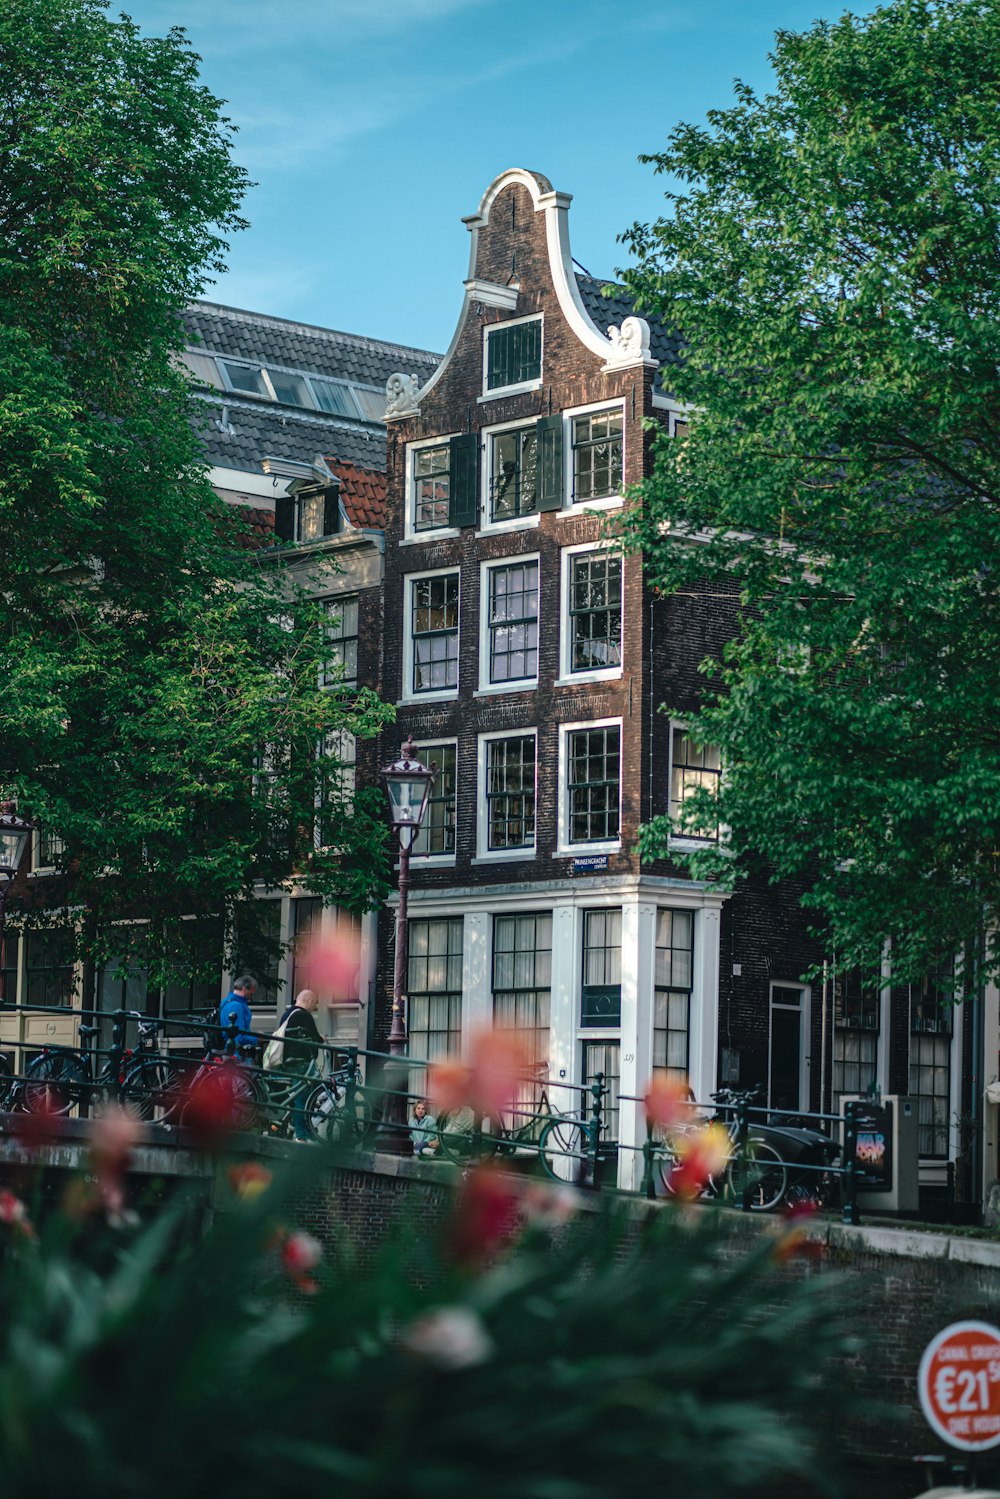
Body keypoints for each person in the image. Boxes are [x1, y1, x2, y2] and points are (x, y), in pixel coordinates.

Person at [275, 988, 323, 1142]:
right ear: (309, 1001)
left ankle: (298, 1126)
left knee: (301, 1096)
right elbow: (314, 1037)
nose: (314, 1008)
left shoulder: (286, 1014)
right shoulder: (304, 1016)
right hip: (301, 1061)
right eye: (314, 1004)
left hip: (288, 1061)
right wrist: (322, 1039)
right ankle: (302, 1134)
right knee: (305, 1097)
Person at [219, 976, 258, 1052]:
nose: (250, 998)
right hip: (236, 1053)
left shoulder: (226, 1002)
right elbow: (239, 1036)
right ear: (244, 989)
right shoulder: (236, 1006)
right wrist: (257, 1039)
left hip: (228, 1049)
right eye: (250, 994)